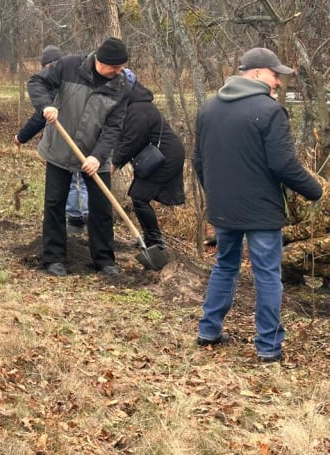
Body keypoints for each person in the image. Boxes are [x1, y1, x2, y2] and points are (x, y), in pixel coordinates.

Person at [193, 47, 322, 362]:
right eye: (274, 74)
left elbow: (198, 161)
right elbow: (283, 164)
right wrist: (315, 190)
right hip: (261, 210)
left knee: (225, 265)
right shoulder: (270, 111)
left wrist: (216, 193)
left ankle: (208, 331)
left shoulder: (208, 108)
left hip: (223, 207)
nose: (278, 81)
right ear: (254, 73)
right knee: (267, 274)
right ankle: (268, 347)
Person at [27, 37, 132, 277]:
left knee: (101, 206)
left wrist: (97, 156)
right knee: (55, 202)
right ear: (99, 61)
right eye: (115, 68)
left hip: (96, 154)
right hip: (61, 147)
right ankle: (54, 258)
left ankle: (104, 260)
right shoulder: (68, 65)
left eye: (121, 67)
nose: (119, 72)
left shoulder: (122, 85)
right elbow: (36, 82)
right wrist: (45, 105)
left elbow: (114, 127)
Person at [15, 45, 89, 232]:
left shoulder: (63, 83)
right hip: (68, 139)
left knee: (80, 178)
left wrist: (21, 137)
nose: (49, 69)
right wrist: (22, 137)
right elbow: (41, 115)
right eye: (47, 66)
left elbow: (39, 118)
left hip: (77, 139)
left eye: (51, 65)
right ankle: (78, 218)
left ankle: (82, 217)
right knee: (78, 179)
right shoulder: (57, 82)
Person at [111, 75, 185, 252]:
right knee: (139, 196)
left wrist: (114, 163)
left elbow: (132, 140)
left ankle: (155, 242)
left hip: (165, 157)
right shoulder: (132, 105)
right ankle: (150, 238)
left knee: (139, 196)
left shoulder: (139, 108)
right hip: (155, 156)